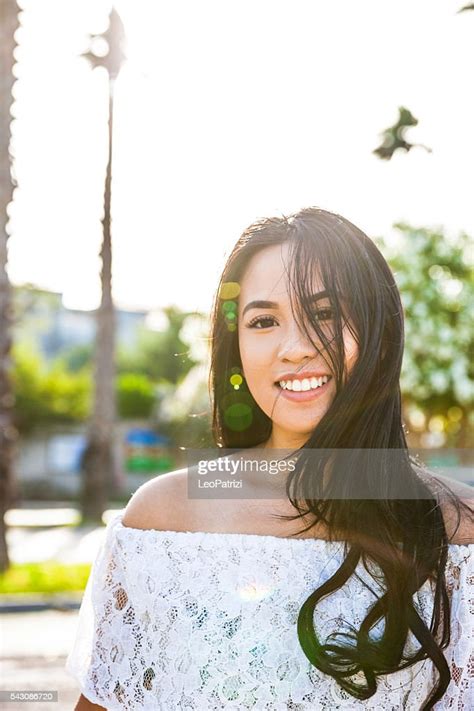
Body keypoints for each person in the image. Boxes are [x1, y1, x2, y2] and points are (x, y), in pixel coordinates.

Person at [68, 207, 473, 710]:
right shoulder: (163, 521)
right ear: (235, 350)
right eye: (263, 321)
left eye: (324, 314)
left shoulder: (458, 530)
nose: (295, 347)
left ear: (380, 334)